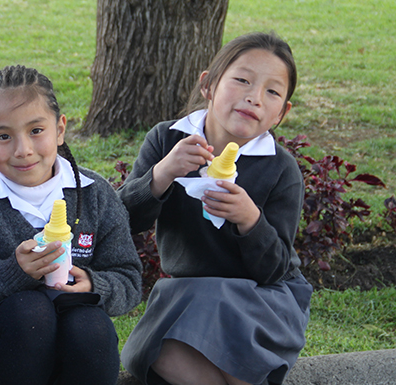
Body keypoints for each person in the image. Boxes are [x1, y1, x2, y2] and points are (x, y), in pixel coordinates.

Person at [118, 31, 313, 385]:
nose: (254, 98)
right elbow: (121, 220)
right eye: (242, 80)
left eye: (272, 91)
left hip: (263, 299)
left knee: (218, 320)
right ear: (208, 85)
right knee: (159, 354)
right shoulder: (168, 141)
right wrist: (162, 174)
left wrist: (250, 220)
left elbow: (274, 269)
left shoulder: (280, 170)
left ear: (282, 113)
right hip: (189, 297)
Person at [0, 65, 145, 385]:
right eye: (3, 136)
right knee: (30, 310)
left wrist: (94, 284)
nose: (23, 150)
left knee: (91, 325)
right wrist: (15, 271)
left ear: (60, 129)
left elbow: (129, 280)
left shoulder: (94, 195)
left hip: (74, 345)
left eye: (36, 131)